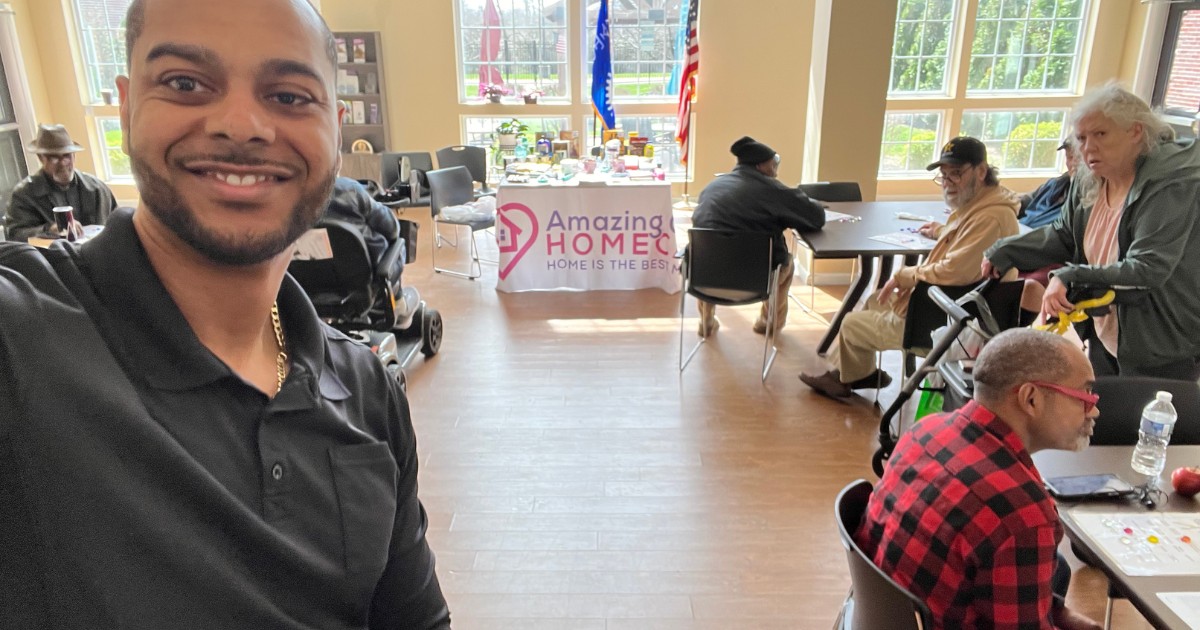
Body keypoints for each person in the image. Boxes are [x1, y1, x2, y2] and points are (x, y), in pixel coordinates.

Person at [0, 0, 450, 628]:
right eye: (186, 84)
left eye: (289, 96)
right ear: (127, 106)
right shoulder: (24, 337)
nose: (242, 125)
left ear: (337, 129)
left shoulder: (368, 392)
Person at [856, 328, 1103, 630]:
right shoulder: (1023, 513)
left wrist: (1056, 612)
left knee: (1058, 569)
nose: (1095, 410)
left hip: (888, 614)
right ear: (1032, 399)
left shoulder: (925, 431)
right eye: (1085, 396)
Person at [984, 83, 1200, 380]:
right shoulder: (1091, 178)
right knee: (1105, 418)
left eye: (1100, 134)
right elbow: (1064, 235)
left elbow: (1148, 268)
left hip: (1160, 338)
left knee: (1146, 423)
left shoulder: (1169, 184)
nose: (1088, 148)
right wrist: (1006, 250)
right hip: (1105, 328)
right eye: (1082, 138)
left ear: (1135, 132)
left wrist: (1070, 275)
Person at [800, 136, 1019, 399]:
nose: (948, 183)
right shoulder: (982, 205)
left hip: (948, 320)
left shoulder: (991, 217)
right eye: (944, 175)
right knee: (873, 300)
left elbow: (956, 270)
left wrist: (906, 275)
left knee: (851, 323)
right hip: (948, 307)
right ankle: (855, 374)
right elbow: (969, 244)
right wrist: (942, 231)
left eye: (956, 174)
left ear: (982, 171)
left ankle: (846, 377)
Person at [690, 136, 825, 337]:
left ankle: (706, 320)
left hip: (705, 279)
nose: (776, 170)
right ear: (762, 166)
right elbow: (816, 217)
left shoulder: (711, 188)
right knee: (787, 265)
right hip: (756, 281)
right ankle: (768, 322)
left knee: (708, 252)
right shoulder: (774, 191)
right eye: (774, 164)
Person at [4, 123, 118, 242]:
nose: (63, 163)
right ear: (41, 158)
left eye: (67, 156)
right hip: (51, 259)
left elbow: (117, 227)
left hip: (97, 256)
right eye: (54, 158)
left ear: (74, 155)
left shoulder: (97, 189)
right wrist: (49, 231)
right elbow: (15, 238)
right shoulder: (24, 195)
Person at [325, 176, 401, 264]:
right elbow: (392, 229)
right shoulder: (351, 189)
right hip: (369, 271)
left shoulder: (305, 194)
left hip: (316, 273)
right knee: (399, 243)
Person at [1019, 138, 1078, 229]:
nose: (1074, 163)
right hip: (1020, 231)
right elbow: (1026, 200)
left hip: (1034, 240)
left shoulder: (1084, 200)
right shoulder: (1056, 183)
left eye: (1079, 157)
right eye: (1069, 157)